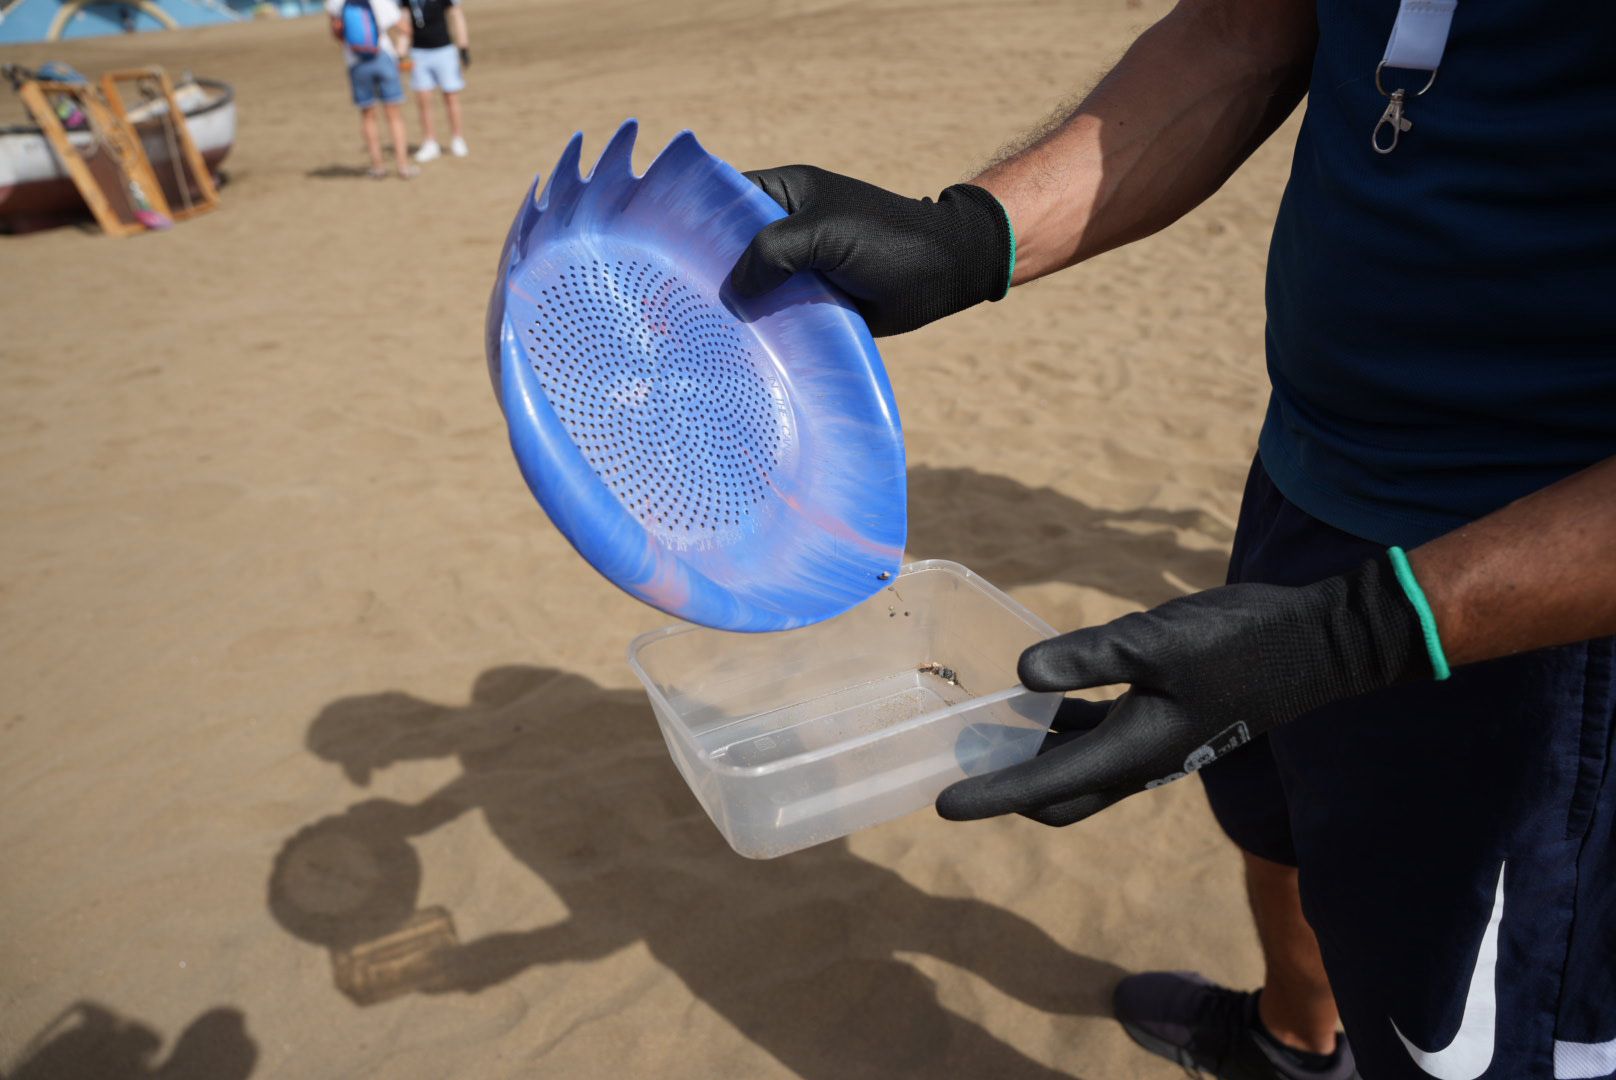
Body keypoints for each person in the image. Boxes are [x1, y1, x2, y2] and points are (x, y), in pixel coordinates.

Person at [727, 1, 1616, 1077]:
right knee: (1274, 817)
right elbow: (1241, 31)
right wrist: (970, 235)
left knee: (1452, 1029)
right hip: (1305, 477)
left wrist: (1350, 636)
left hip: (1533, 605)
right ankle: (1297, 1041)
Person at [325, 0, 418, 179]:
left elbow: (336, 32)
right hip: (384, 57)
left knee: (368, 115)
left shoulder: (334, 3)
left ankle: (378, 167)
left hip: (355, 62)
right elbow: (404, 28)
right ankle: (403, 166)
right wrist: (401, 52)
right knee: (394, 115)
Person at [402, 0, 469, 162]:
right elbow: (404, 24)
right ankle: (430, 142)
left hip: (444, 50)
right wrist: (401, 52)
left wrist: (463, 46)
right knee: (423, 99)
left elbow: (456, 15)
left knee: (451, 96)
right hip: (418, 53)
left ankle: (457, 138)